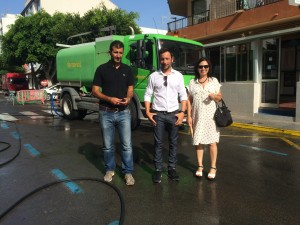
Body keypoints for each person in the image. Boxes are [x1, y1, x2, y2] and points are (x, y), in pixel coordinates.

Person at [92, 40, 135, 186]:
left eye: (120, 53)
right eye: (115, 52)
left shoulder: (127, 69)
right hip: (106, 113)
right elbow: (95, 91)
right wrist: (109, 99)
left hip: (124, 113)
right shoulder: (101, 69)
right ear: (110, 52)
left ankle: (128, 172)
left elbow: (130, 88)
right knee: (108, 145)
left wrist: (128, 98)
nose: (118, 55)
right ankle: (110, 169)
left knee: (127, 145)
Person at [144, 48, 187, 183]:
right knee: (158, 143)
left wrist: (182, 113)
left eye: (167, 58)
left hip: (174, 114)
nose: (164, 61)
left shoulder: (178, 76)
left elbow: (183, 95)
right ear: (160, 60)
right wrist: (147, 111)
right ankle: (158, 170)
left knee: (173, 143)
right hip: (158, 115)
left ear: (172, 59)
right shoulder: (153, 76)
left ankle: (171, 168)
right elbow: (147, 94)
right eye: (162, 59)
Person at [187, 57, 222, 180]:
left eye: (206, 67)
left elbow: (219, 97)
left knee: (212, 143)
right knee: (199, 142)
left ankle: (213, 167)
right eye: (201, 66)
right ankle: (200, 166)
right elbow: (188, 101)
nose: (203, 69)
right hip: (197, 116)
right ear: (197, 68)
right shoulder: (192, 83)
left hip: (211, 117)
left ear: (209, 68)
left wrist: (214, 96)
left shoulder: (214, 81)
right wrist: (189, 116)